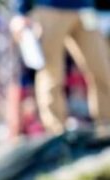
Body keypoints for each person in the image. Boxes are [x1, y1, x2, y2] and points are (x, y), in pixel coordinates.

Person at [12, 0, 110, 134]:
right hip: (50, 8)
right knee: (51, 73)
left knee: (102, 69)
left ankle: (106, 124)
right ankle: (55, 130)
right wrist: (20, 11)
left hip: (84, 9)